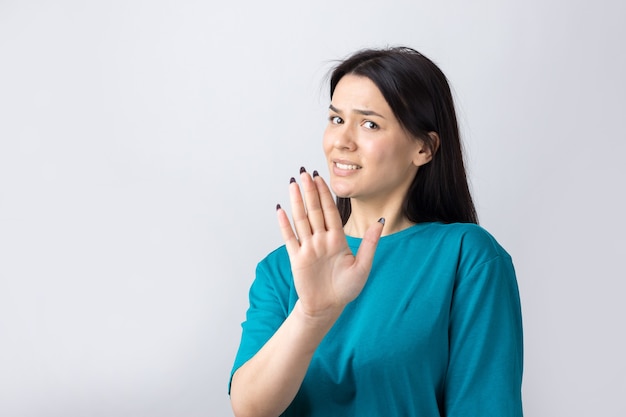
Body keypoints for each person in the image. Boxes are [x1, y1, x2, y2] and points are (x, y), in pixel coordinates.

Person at [229, 46, 523, 417]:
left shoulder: (467, 257)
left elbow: (485, 406)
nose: (341, 141)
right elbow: (250, 409)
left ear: (424, 148)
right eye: (336, 119)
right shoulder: (282, 268)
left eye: (369, 124)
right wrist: (312, 314)